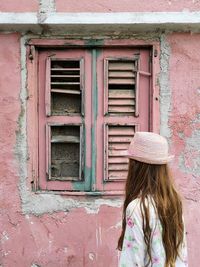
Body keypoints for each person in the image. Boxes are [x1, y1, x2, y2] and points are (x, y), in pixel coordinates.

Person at [118, 132, 188, 267]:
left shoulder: (137, 208)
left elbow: (131, 262)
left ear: (136, 167)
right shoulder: (174, 204)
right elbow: (182, 257)